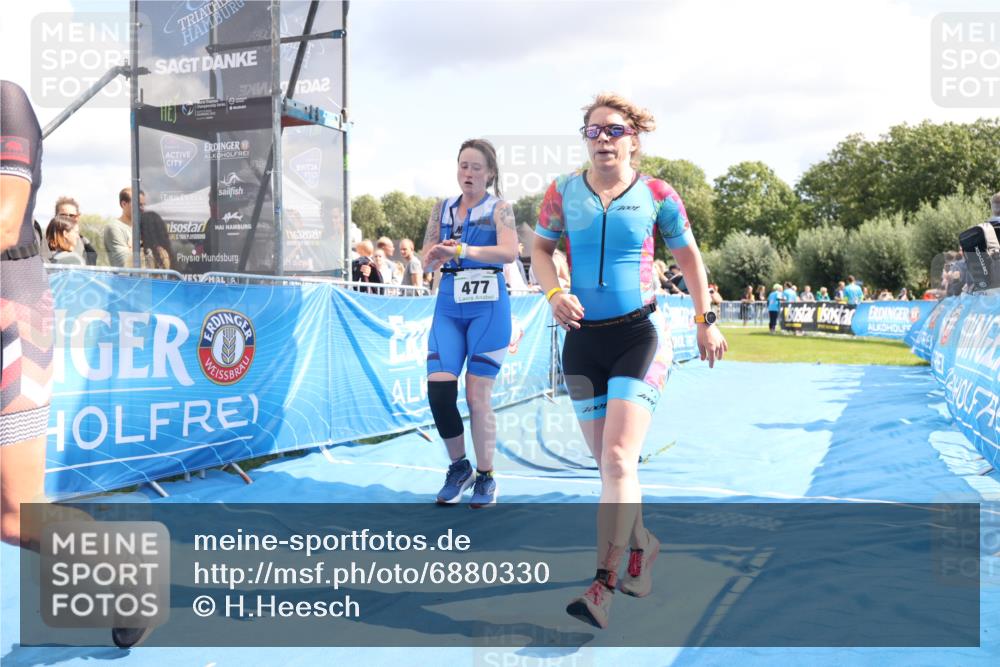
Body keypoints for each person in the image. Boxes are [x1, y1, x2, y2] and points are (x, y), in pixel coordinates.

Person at [532, 93, 726, 629]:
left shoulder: (659, 195)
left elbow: (689, 258)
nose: (602, 140)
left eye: (612, 131)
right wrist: (553, 295)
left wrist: (705, 319)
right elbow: (541, 253)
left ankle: (602, 584)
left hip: (640, 336)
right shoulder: (561, 193)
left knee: (618, 460)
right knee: (610, 468)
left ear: (633, 138)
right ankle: (644, 545)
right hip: (581, 340)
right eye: (591, 132)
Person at [421, 138, 517, 508]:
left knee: (477, 396)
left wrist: (461, 250)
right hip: (449, 304)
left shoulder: (501, 208)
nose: (469, 173)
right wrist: (433, 257)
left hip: (488, 308)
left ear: (490, 173)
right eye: (464, 166)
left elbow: (509, 252)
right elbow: (429, 260)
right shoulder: (441, 209)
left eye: (477, 167)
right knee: (440, 392)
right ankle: (459, 467)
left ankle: (487, 476)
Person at [105, 187, 144, 267]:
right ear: (124, 204)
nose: (142, 208)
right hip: (125, 279)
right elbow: (125, 262)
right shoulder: (114, 228)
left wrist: (133, 249)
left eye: (143, 205)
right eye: (138, 204)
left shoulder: (143, 228)